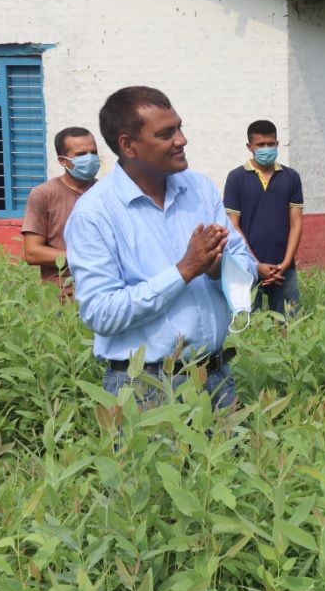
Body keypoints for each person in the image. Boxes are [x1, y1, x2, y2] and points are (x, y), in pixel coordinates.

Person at [65, 87, 256, 409]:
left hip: (216, 376)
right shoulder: (94, 214)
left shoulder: (199, 188)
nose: (181, 140)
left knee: (224, 461)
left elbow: (245, 264)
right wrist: (184, 271)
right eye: (166, 133)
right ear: (128, 145)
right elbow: (101, 313)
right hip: (145, 387)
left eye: (179, 128)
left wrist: (216, 268)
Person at [223, 119, 304, 319]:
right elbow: (234, 226)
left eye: (270, 144)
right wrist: (255, 264)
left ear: (277, 143)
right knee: (249, 328)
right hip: (247, 268)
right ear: (250, 147)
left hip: (284, 270)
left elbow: (296, 224)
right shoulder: (236, 178)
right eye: (260, 145)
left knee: (290, 326)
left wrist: (285, 263)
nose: (266, 148)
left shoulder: (291, 177)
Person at [22, 126, 101, 292]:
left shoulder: (108, 192)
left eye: (93, 153)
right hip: (63, 297)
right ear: (63, 161)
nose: (90, 159)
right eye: (81, 155)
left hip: (105, 292)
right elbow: (32, 252)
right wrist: (84, 259)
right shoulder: (44, 194)